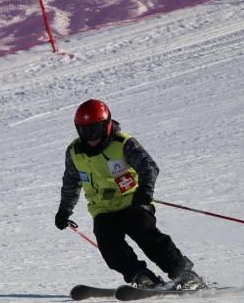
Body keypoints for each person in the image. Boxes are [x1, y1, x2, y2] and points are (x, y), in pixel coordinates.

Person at [55, 99, 207, 290]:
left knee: (146, 235)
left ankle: (184, 274)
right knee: (109, 245)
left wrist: (144, 191)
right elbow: (71, 182)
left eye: (96, 129)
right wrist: (64, 211)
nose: (91, 136)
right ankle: (141, 276)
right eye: (85, 130)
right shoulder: (75, 152)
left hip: (132, 201)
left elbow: (148, 167)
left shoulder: (123, 143)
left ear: (107, 124)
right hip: (102, 209)